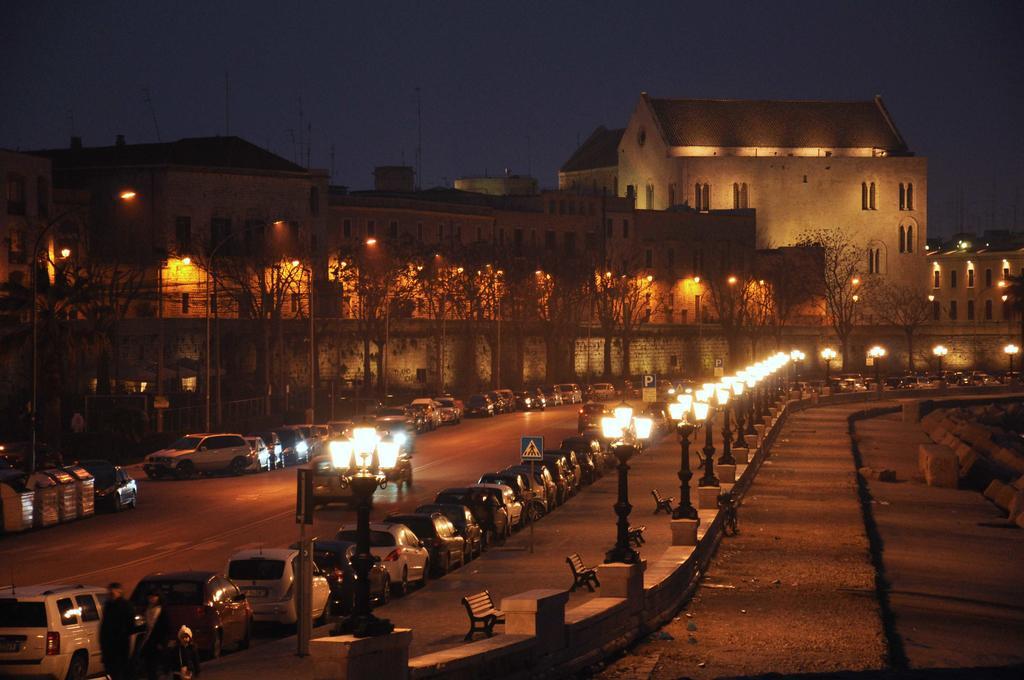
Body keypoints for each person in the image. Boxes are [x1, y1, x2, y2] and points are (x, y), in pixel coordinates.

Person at [99, 582, 135, 680]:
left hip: (121, 647)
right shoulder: (108, 606)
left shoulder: (126, 606)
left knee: (120, 673)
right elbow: (104, 627)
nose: (110, 594)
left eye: (113, 592)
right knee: (112, 673)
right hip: (109, 648)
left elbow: (131, 628)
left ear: (119, 592)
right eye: (109, 592)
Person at [136, 590, 170, 680]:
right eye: (150, 597)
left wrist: (162, 642)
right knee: (149, 665)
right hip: (147, 640)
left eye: (154, 597)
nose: (151, 599)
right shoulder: (146, 609)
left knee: (153, 665)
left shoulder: (162, 610)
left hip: (156, 641)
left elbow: (165, 627)